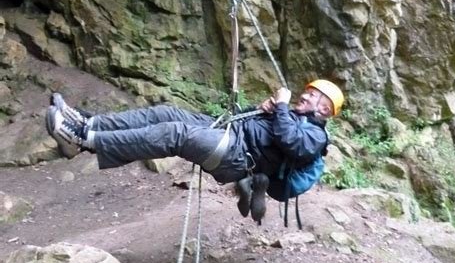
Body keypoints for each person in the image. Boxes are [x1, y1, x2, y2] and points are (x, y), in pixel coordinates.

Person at [45, 79, 344, 223]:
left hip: (237, 155)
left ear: (326, 110)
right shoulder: (292, 116)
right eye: (309, 91)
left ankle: (83, 140)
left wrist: (279, 106)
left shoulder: (316, 137)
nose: (306, 94)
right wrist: (261, 108)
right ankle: (88, 122)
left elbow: (290, 142)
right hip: (228, 131)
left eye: (315, 95)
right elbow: (267, 129)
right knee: (165, 113)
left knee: (176, 134)